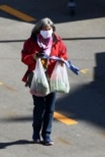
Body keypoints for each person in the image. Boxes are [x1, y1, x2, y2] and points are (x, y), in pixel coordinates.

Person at [21, 17, 69, 146]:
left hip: (53, 77)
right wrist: (34, 57)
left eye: (49, 29)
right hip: (37, 77)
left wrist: (62, 60)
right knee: (39, 107)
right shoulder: (31, 42)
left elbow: (64, 53)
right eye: (44, 29)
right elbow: (24, 58)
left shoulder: (57, 40)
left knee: (50, 109)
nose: (47, 32)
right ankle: (36, 133)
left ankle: (46, 135)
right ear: (38, 30)